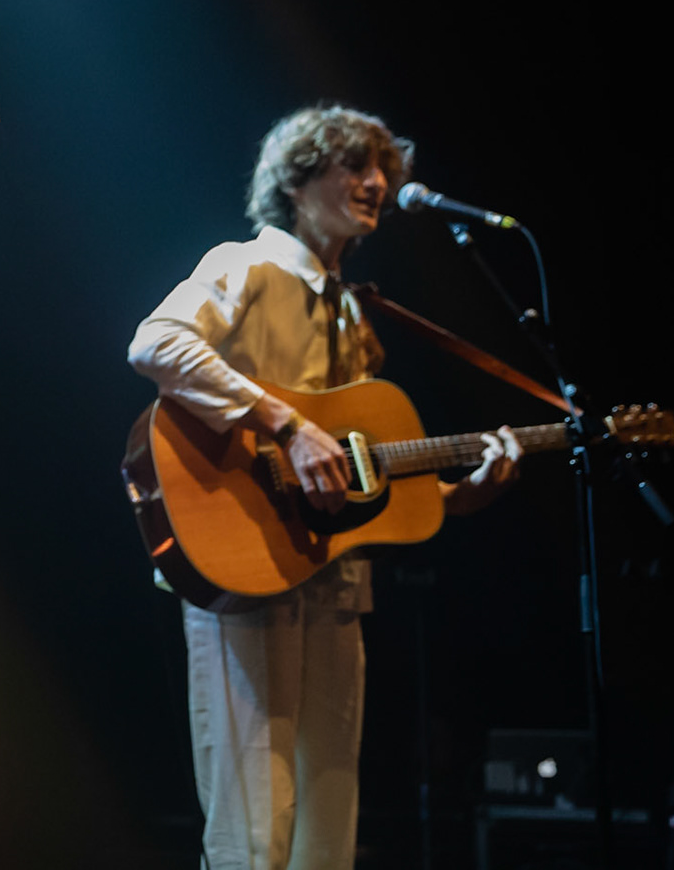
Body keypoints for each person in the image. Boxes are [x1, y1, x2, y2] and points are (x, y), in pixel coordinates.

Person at [126, 106, 522, 870]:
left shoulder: (354, 313)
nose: (376, 183)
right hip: (242, 568)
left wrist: (460, 497)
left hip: (334, 584)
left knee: (327, 836)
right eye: (354, 165)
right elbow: (156, 342)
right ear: (297, 180)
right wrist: (285, 424)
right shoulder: (246, 266)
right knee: (254, 837)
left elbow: (359, 486)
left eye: (382, 170)